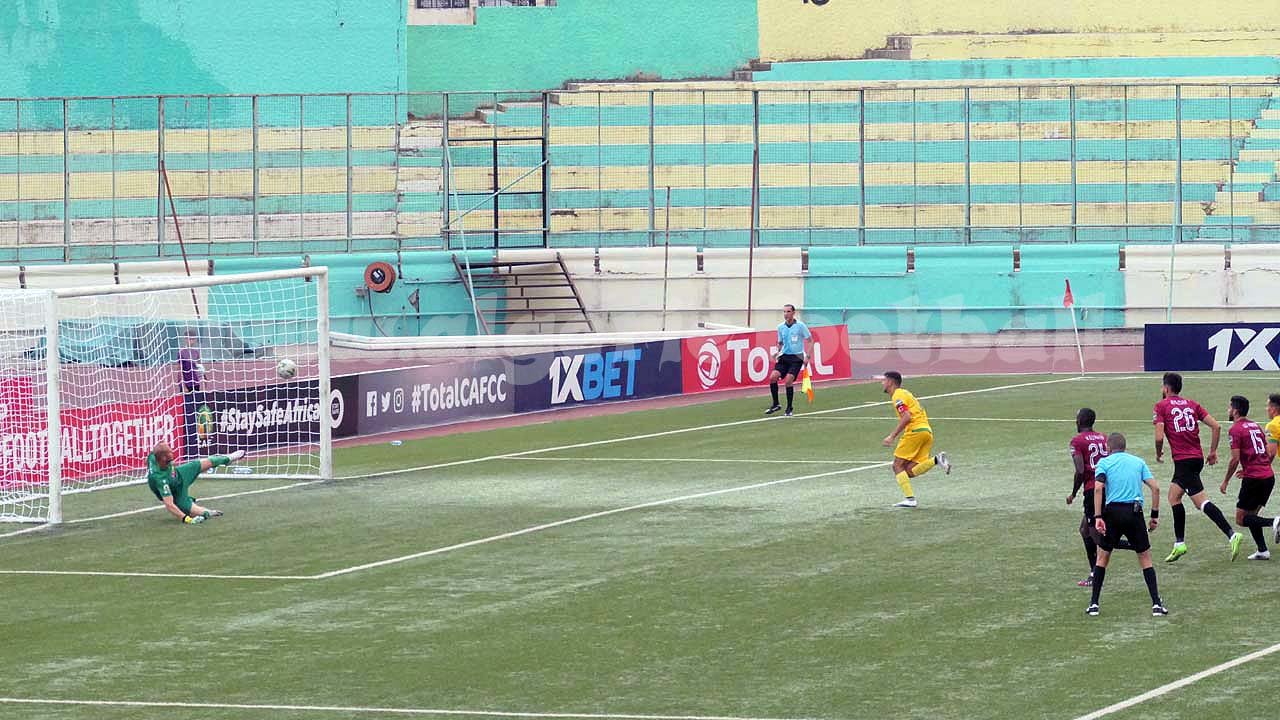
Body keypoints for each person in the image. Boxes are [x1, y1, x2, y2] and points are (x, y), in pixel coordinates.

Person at [1154, 372, 1239, 562]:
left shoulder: (1161, 406)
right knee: (1174, 497)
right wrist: (1213, 451)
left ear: (1166, 388)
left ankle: (1232, 534)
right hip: (1196, 459)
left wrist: (1158, 452)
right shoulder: (1192, 404)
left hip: (1183, 461)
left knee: (1201, 502)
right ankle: (1179, 544)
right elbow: (1216, 426)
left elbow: (1159, 437)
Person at [1088, 432, 1167, 617]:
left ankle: (1094, 604)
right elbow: (1155, 488)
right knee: (1145, 558)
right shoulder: (1138, 462)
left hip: (1112, 513)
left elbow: (1098, 488)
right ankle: (1156, 604)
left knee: (1102, 557)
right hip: (1134, 512)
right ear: (1124, 447)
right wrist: (1154, 515)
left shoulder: (1104, 463)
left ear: (1108, 447)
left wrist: (1098, 516)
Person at [1219, 396, 1280, 560]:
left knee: (1241, 519)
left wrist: (1225, 481)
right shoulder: (1256, 426)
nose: (1228, 410)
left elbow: (1235, 459)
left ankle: (1274, 521)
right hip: (1267, 476)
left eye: (1229, 407)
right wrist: (1252, 468)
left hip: (1254, 479)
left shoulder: (1235, 429)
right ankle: (1262, 550)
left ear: (1235, 411)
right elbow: (1266, 452)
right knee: (1252, 515)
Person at [880, 371, 951, 508]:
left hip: (915, 432)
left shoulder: (898, 395)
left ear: (890, 382)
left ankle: (910, 499)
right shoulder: (906, 393)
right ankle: (936, 460)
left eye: (884, 380)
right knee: (909, 471)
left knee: (897, 466)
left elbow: (906, 417)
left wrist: (892, 436)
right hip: (926, 432)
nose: (882, 383)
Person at [146, 442, 244, 524]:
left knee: (202, 463)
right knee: (190, 510)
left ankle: (228, 459)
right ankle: (208, 512)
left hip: (179, 474)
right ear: (163, 458)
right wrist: (186, 519)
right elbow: (169, 505)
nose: (172, 453)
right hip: (175, 493)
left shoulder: (153, 456)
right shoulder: (160, 479)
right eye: (170, 454)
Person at [1067, 408, 1109, 587]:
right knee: (1085, 529)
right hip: (1108, 488)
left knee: (1095, 534)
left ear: (1080, 421)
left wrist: (1074, 493)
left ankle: (1134, 545)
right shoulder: (1104, 438)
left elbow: (1080, 470)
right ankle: (1093, 572)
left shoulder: (1077, 441)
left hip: (1093, 491)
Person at [764, 304, 813, 418]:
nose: (786, 314)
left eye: (788, 311)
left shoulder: (800, 326)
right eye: (784, 312)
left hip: (796, 358)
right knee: (773, 377)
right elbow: (780, 342)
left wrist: (807, 356)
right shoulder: (780, 327)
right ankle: (776, 404)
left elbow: (810, 341)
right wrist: (777, 351)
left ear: (793, 313)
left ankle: (789, 408)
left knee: (788, 380)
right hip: (784, 357)